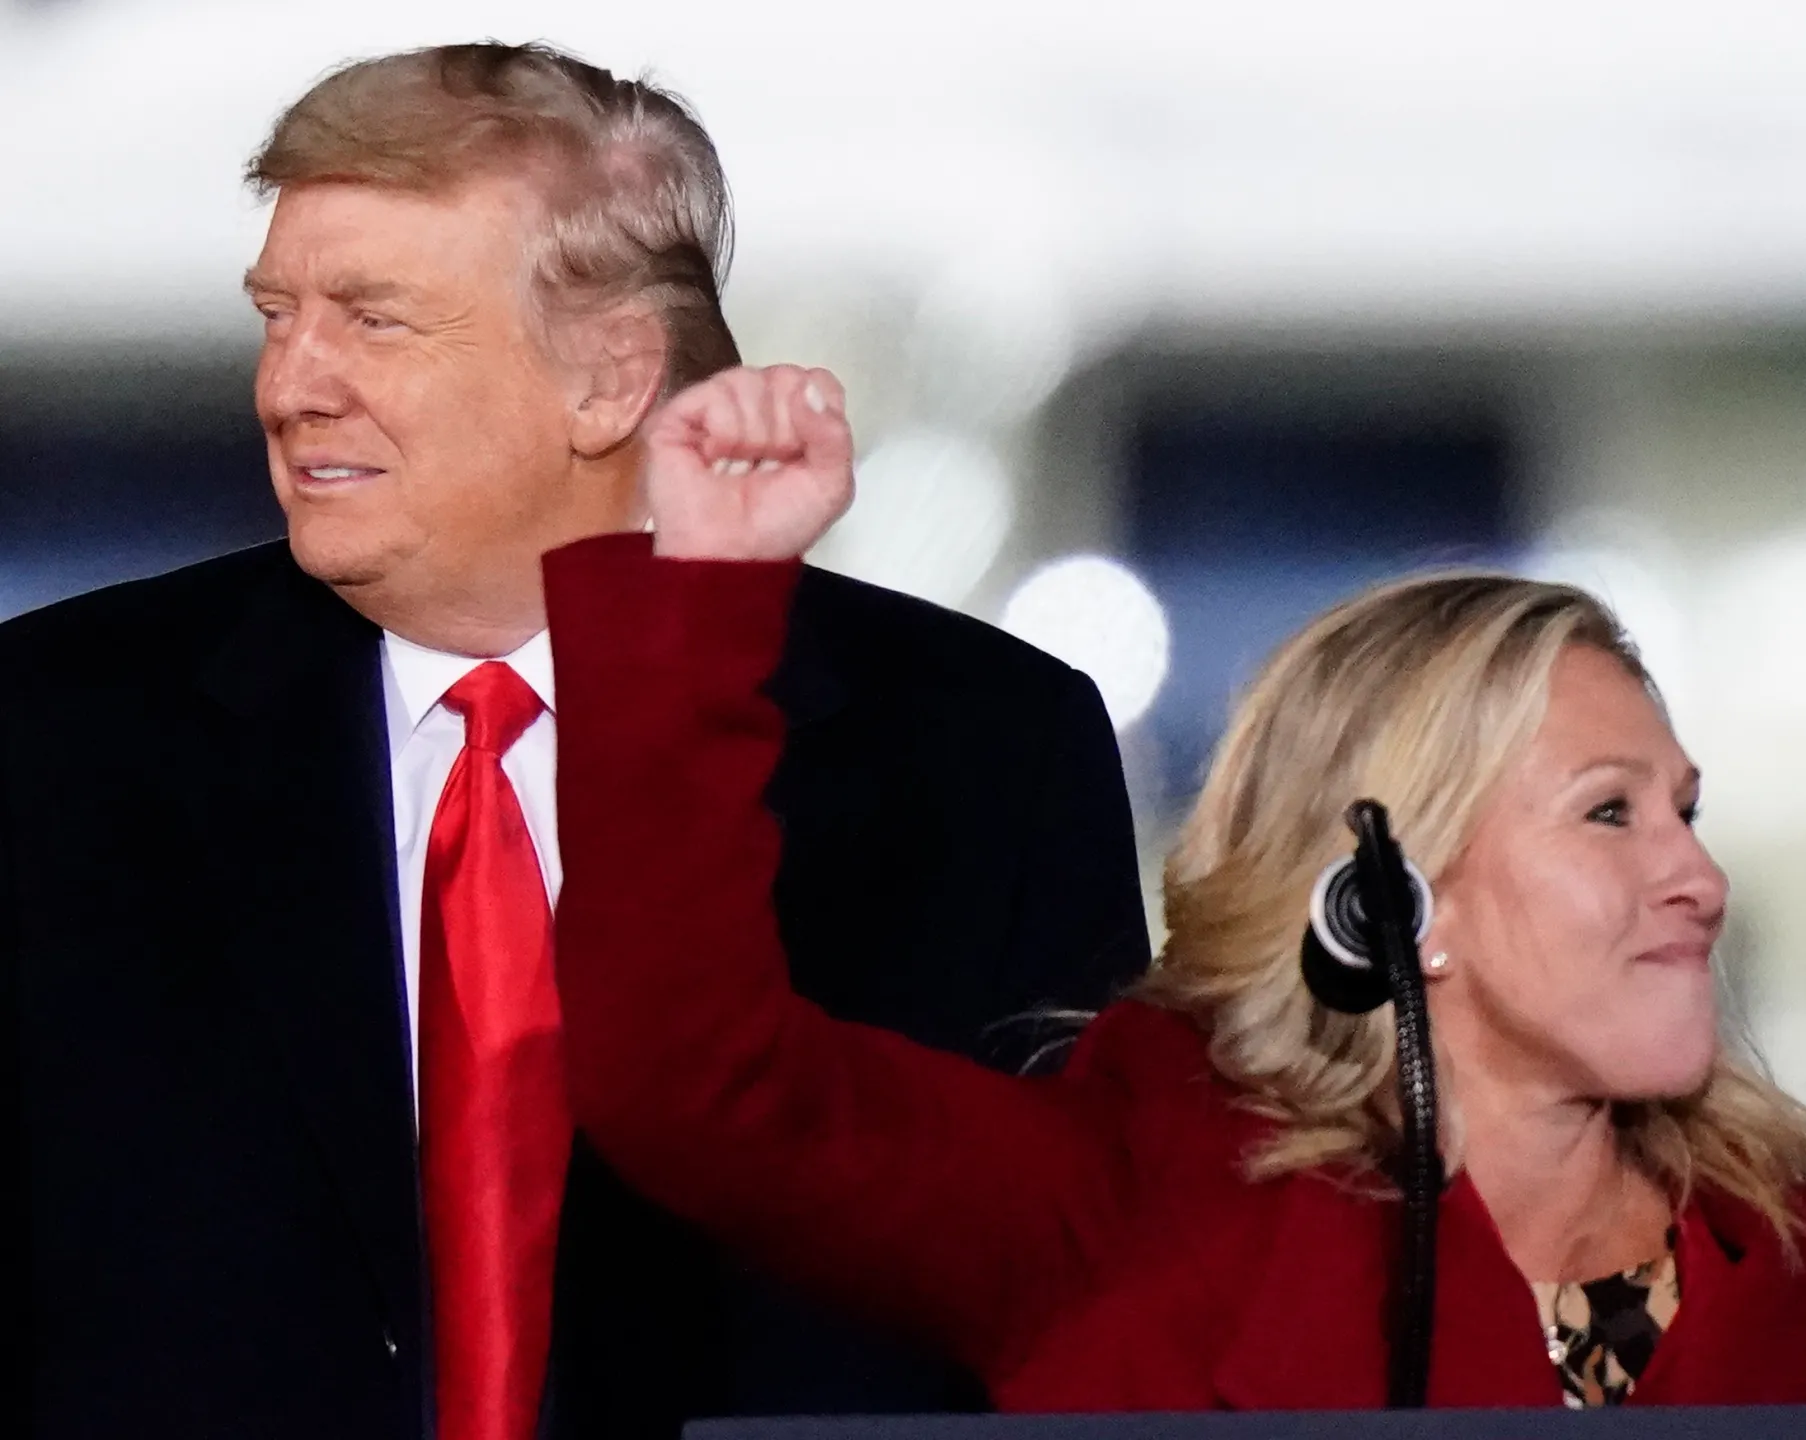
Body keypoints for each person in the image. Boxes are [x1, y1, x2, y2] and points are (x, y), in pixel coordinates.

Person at [0, 43, 1147, 1440]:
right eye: (277, 316)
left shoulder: (982, 754)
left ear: (609, 379)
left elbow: (1077, 1317)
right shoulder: (51, 735)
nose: (289, 386)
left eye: (374, 321)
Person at [545, 363, 1806, 1412]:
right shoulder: (1127, 1213)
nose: (1699, 877)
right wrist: (707, 595)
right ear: (1396, 897)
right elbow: (696, 1078)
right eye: (1610, 813)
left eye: (1687, 811)